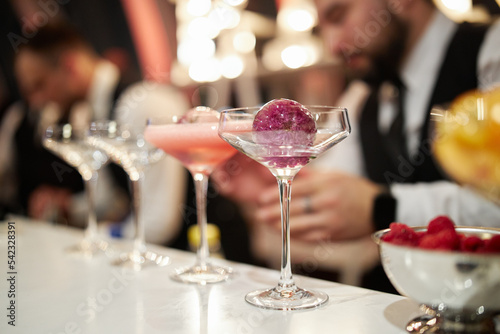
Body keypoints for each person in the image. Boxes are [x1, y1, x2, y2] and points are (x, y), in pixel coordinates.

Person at [215, 0, 500, 291]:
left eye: (338, 16)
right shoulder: (363, 96)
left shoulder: (491, 50)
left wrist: (382, 208)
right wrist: (267, 182)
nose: (333, 45)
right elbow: (333, 190)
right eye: (321, 29)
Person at [11, 21, 189, 244]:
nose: (36, 103)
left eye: (39, 85)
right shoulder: (92, 110)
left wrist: (98, 239)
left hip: (200, 254)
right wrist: (68, 208)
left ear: (70, 67)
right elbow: (111, 198)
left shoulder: (142, 104)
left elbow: (159, 220)